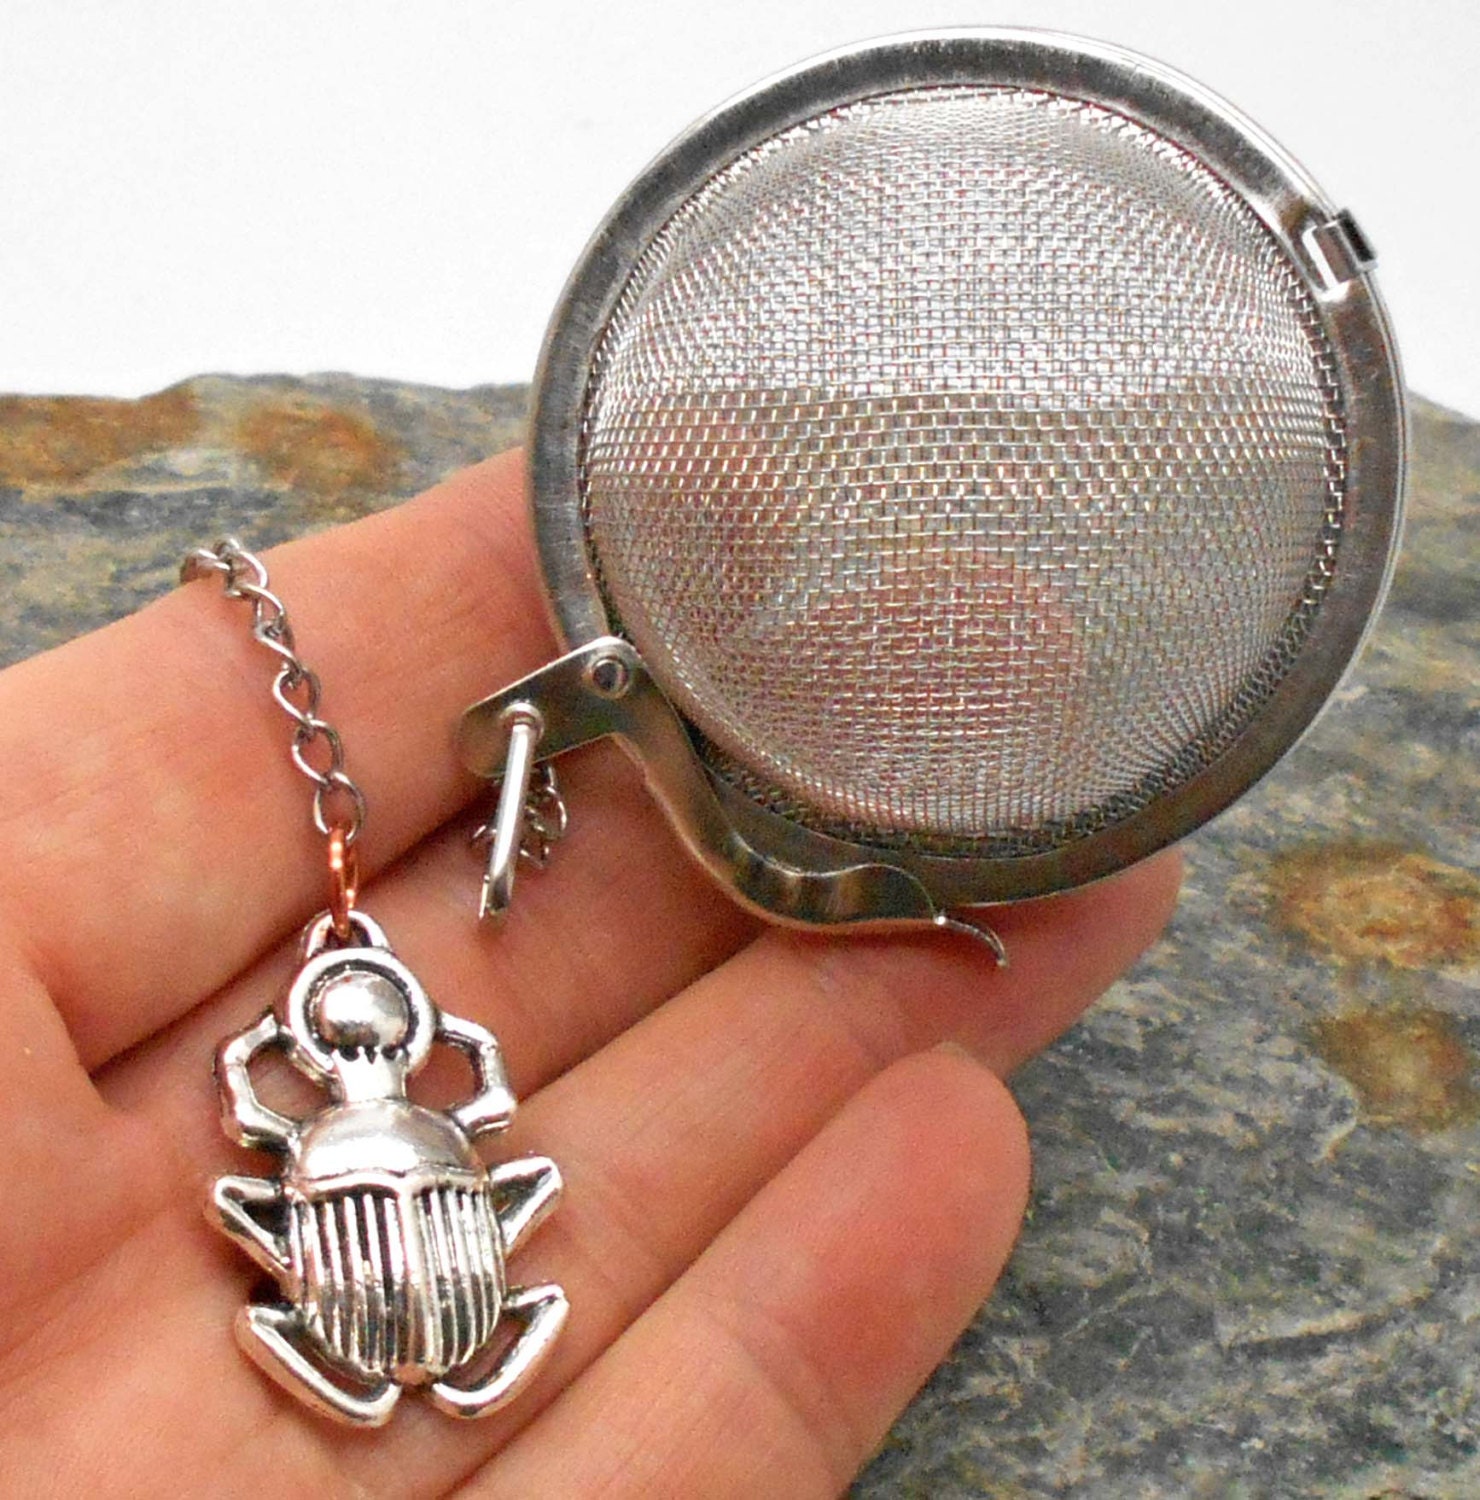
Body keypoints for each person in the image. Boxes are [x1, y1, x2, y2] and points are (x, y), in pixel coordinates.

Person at [0, 450, 1181, 1495]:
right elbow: (480, 1096)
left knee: (261, 1214)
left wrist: (266, 1052)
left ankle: (375, 1377)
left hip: (354, 1310)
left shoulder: (298, 1142)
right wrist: (419, 1055)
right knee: (517, 1207)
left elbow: (258, 1121)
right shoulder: (448, 1123)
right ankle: (468, 1371)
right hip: (459, 1298)